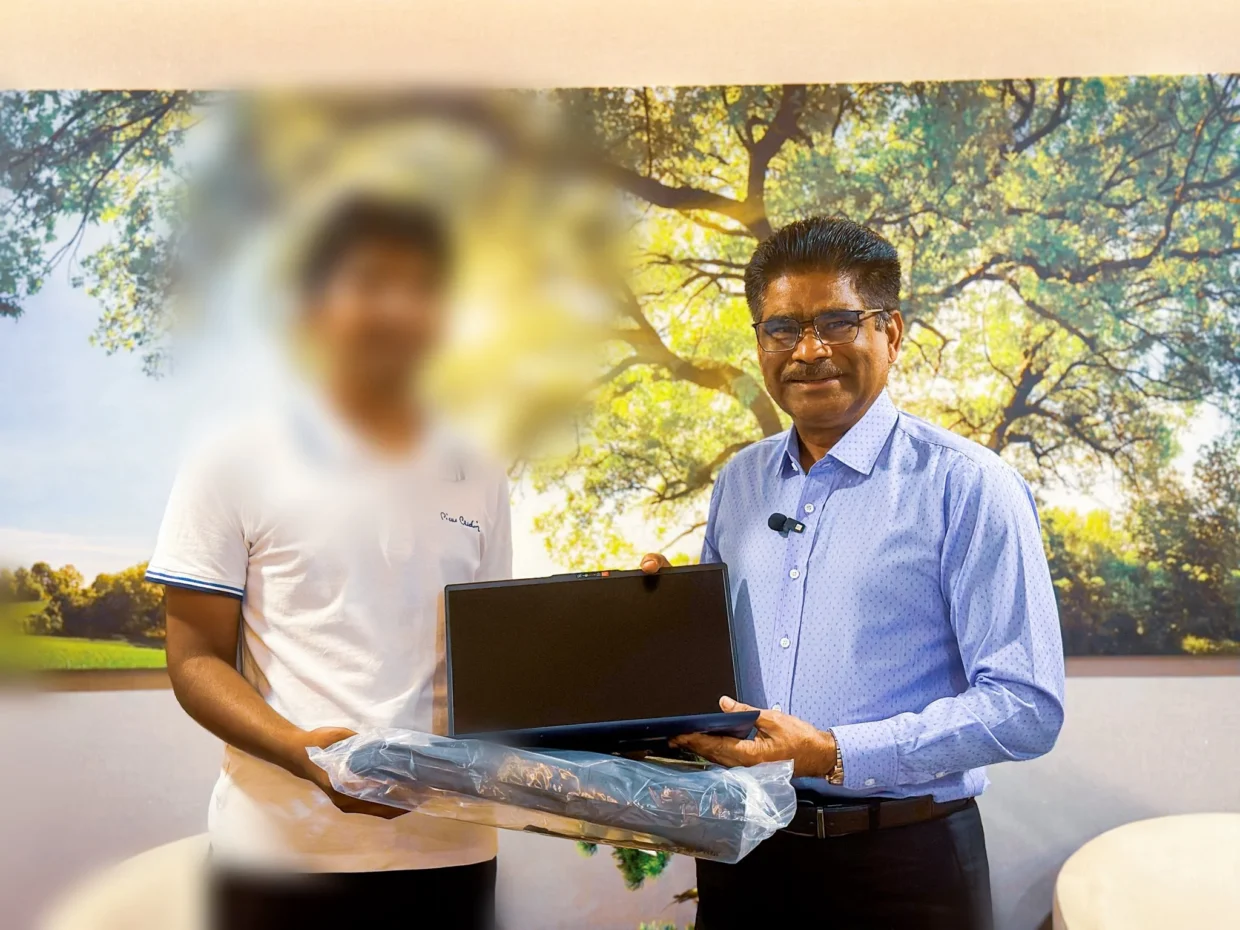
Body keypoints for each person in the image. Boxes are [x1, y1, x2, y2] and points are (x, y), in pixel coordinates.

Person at [640, 216, 1065, 929]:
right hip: (745, 855)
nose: (809, 351)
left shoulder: (969, 485)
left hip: (903, 866)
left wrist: (834, 754)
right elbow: (711, 675)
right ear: (760, 343)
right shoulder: (739, 483)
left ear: (891, 333)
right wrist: (648, 620)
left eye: (837, 322)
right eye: (783, 329)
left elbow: (1026, 707)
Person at [146, 197, 512, 930]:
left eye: (421, 288)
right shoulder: (231, 455)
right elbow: (193, 658)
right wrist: (295, 751)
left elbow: (493, 656)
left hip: (452, 850)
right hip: (276, 855)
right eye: (371, 281)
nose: (398, 308)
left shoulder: (480, 467)